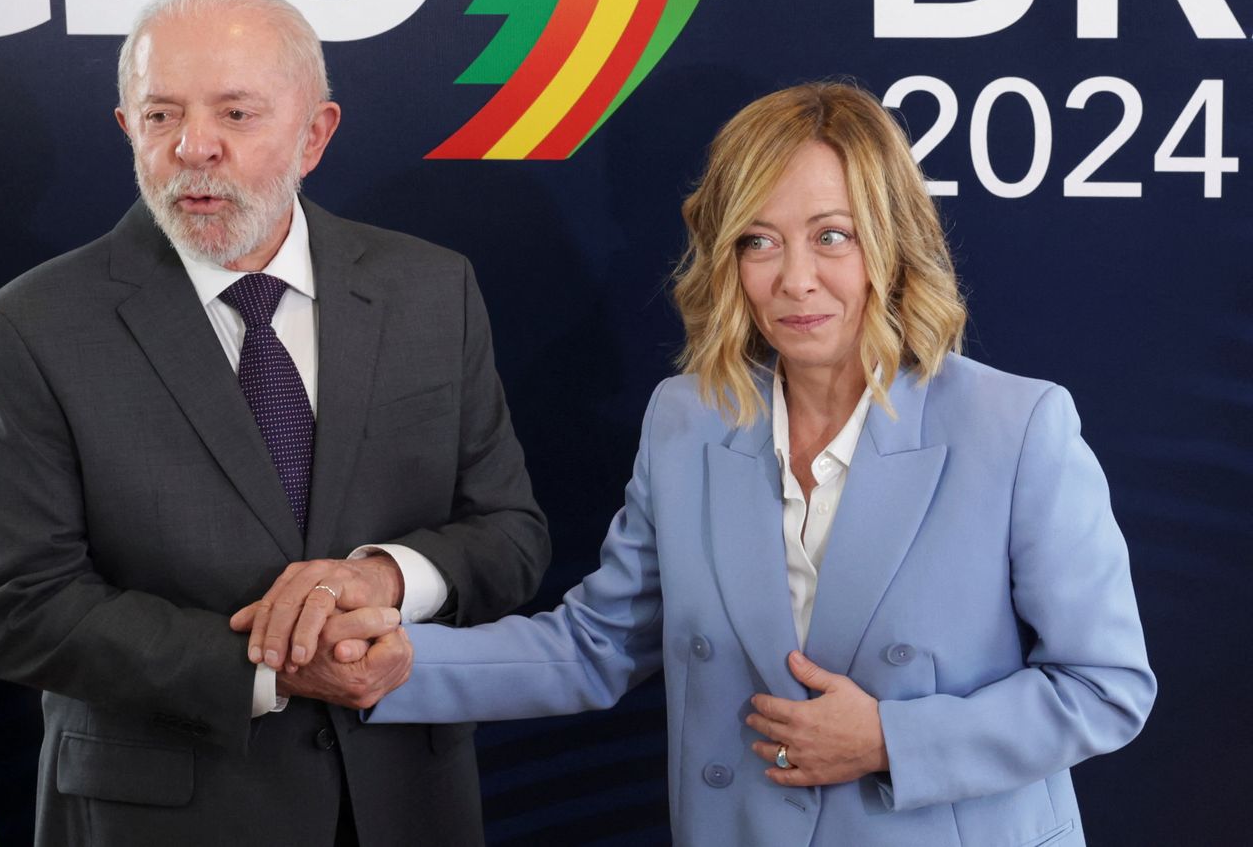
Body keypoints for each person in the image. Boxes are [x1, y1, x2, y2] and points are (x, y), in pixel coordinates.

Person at [357, 82, 1154, 845]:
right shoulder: (688, 418)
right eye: (758, 241)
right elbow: (596, 645)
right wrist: (393, 663)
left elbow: (1104, 686)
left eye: (831, 235)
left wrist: (892, 738)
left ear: (891, 241)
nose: (794, 278)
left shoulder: (1016, 427)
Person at [0, 0, 549, 846]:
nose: (194, 147)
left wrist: (384, 578)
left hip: (405, 805)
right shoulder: (31, 326)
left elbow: (511, 533)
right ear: (129, 131)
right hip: (160, 818)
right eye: (161, 116)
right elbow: (23, 607)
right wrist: (278, 665)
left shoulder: (432, 289)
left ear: (315, 134)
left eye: (236, 114)